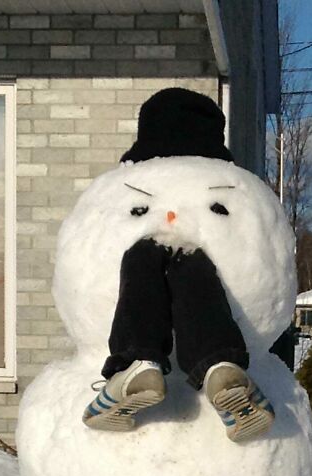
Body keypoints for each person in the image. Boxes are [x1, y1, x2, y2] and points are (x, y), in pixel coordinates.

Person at [83, 88, 275, 443]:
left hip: (139, 269)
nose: (171, 218)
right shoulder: (230, 189)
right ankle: (221, 366)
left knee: (140, 260)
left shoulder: (130, 196)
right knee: (195, 270)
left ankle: (136, 364)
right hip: (206, 285)